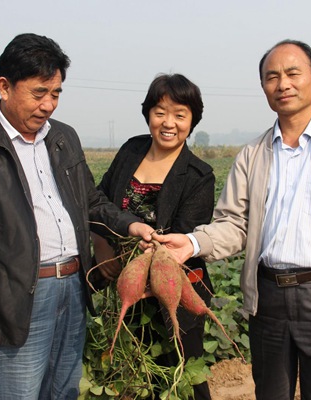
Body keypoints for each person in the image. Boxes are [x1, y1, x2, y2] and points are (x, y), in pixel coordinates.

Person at [151, 39, 311, 400]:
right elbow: (234, 224)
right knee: (270, 393)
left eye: (292, 73)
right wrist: (191, 243)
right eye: (272, 77)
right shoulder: (252, 154)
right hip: (267, 298)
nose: (283, 84)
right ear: (263, 87)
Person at [0, 33, 153, 399]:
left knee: (63, 391)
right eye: (38, 93)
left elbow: (90, 200)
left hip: (72, 288)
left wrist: (129, 224)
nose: (48, 105)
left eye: (56, 93)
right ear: (5, 87)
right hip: (16, 298)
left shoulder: (63, 137)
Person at [92, 73, 215, 399]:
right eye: (160, 112)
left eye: (180, 115)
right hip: (123, 286)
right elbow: (98, 200)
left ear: (192, 120)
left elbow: (182, 239)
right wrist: (102, 248)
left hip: (175, 291)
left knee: (184, 378)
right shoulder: (131, 151)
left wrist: (135, 264)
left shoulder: (199, 175)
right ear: (148, 113)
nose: (168, 123)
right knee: (133, 376)